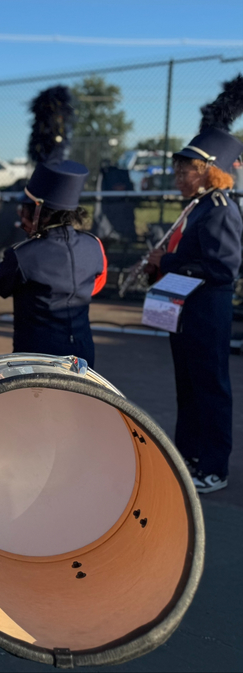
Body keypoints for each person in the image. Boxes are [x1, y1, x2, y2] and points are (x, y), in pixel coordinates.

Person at [146, 75, 243, 494]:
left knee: (210, 388)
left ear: (207, 172)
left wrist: (166, 262)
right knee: (188, 386)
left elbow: (224, 268)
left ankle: (215, 467)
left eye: (186, 169)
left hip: (208, 309)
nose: (178, 174)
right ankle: (188, 455)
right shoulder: (200, 207)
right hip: (187, 309)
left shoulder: (220, 209)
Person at [0, 86, 106, 368]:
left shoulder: (24, 253)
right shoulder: (94, 245)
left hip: (37, 357)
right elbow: (96, 284)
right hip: (84, 354)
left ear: (38, 209)